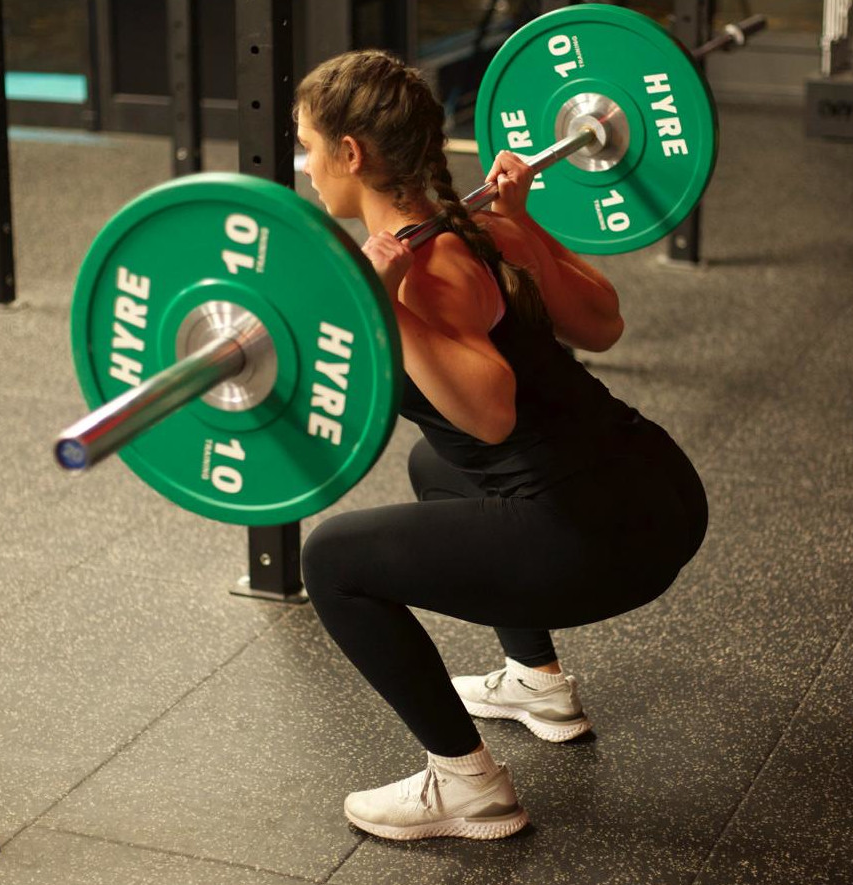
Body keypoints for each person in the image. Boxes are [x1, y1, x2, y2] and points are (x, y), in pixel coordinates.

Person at [294, 50, 708, 842]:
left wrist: (384, 307)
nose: (307, 167)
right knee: (431, 463)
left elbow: (489, 414)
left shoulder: (422, 273)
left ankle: (468, 785)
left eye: (310, 145)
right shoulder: (481, 224)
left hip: (594, 540)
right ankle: (538, 684)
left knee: (331, 560)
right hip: (663, 490)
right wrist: (528, 228)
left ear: (352, 153)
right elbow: (602, 325)